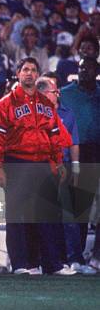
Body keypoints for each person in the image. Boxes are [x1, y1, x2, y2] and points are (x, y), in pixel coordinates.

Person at [0, 57, 74, 275]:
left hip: (43, 163)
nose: (29, 73)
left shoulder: (45, 104)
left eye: (33, 70)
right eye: (25, 69)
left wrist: (58, 162)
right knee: (18, 216)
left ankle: (51, 264)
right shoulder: (4, 104)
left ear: (38, 75)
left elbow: (54, 135)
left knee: (47, 216)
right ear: (18, 73)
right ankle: (21, 264)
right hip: (16, 162)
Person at [59, 56, 100, 271]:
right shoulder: (65, 93)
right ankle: (78, 256)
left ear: (97, 71)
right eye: (81, 67)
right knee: (80, 205)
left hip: (97, 150)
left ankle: (96, 257)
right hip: (76, 152)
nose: (84, 71)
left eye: (89, 68)